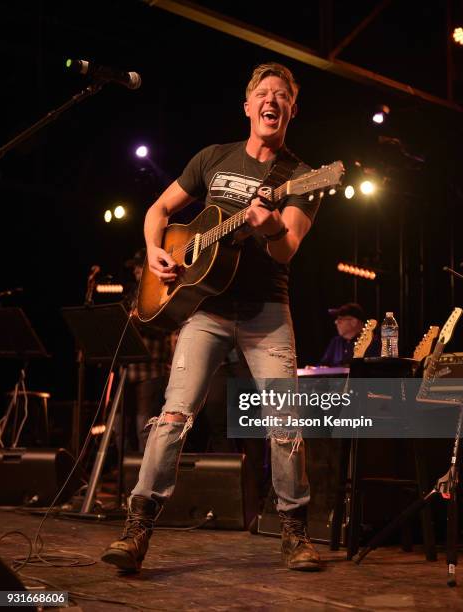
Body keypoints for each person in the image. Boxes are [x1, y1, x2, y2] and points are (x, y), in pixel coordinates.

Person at [102, 62, 323, 573]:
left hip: (267, 311)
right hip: (206, 311)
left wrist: (267, 228)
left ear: (291, 109)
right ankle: (137, 529)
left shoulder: (302, 177)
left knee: (285, 421)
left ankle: (294, 532)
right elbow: (158, 211)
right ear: (247, 106)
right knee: (173, 416)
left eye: (282, 95)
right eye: (263, 93)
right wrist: (156, 249)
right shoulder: (212, 159)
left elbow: (286, 249)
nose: (272, 99)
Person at [118, 248, 177, 453]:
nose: (136, 270)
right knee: (119, 427)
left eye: (140, 266)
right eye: (134, 267)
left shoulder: (164, 290)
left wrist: (137, 321)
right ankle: (125, 479)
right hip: (126, 369)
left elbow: (168, 326)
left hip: (151, 370)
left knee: (144, 427)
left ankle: (145, 480)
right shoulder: (131, 294)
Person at [319, 302, 380, 366]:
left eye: (340, 319)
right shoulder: (336, 342)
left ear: (354, 322)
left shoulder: (372, 342)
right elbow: (323, 365)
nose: (336, 322)